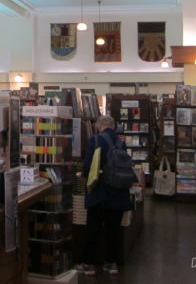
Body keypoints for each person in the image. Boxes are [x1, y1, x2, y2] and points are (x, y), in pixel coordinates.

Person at [75, 115, 132, 277]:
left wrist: (82, 174)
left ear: (99, 126)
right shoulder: (121, 142)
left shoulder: (95, 141)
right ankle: (111, 263)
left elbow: (87, 167)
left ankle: (89, 265)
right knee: (113, 230)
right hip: (119, 193)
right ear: (113, 126)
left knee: (93, 228)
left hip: (100, 193)